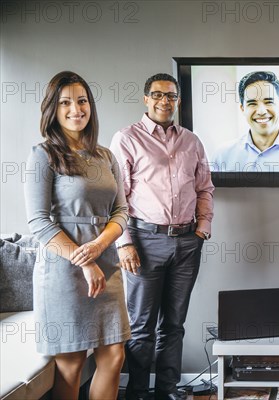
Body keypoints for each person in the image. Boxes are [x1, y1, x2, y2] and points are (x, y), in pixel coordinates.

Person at [24, 71, 130, 399]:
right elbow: (39, 222)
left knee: (114, 356)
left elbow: (121, 212)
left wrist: (99, 246)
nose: (76, 109)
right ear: (53, 110)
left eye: (82, 101)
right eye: (65, 102)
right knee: (70, 365)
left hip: (106, 265)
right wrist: (84, 260)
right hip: (63, 273)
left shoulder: (106, 156)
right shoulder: (42, 155)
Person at [110, 73, 214, 400]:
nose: (164, 101)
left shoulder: (191, 141)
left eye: (170, 96)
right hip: (143, 241)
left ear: (178, 100)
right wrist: (124, 242)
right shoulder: (127, 139)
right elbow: (116, 197)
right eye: (157, 95)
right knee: (141, 328)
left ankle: (167, 391)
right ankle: (138, 393)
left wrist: (202, 227)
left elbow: (204, 188)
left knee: (174, 325)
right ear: (146, 99)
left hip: (186, 242)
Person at [211, 71, 279, 172]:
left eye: (269, 102)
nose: (261, 111)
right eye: (252, 103)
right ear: (242, 109)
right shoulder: (222, 156)